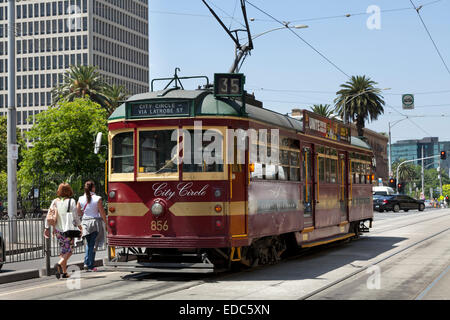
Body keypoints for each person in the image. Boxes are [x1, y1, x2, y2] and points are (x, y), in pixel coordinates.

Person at [44, 183, 81, 279]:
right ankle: (59, 265)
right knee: (69, 251)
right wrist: (80, 227)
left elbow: (49, 214)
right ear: (69, 191)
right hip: (68, 230)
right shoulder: (72, 201)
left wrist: (46, 228)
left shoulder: (55, 201)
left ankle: (64, 272)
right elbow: (75, 217)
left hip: (58, 231)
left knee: (64, 251)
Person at [77, 181, 107, 272]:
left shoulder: (80, 198)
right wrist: (106, 223)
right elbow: (102, 212)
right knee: (92, 244)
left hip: (85, 222)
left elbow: (78, 212)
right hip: (95, 222)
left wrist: (85, 213)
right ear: (93, 188)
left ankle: (87, 262)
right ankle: (90, 265)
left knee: (88, 244)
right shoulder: (98, 198)